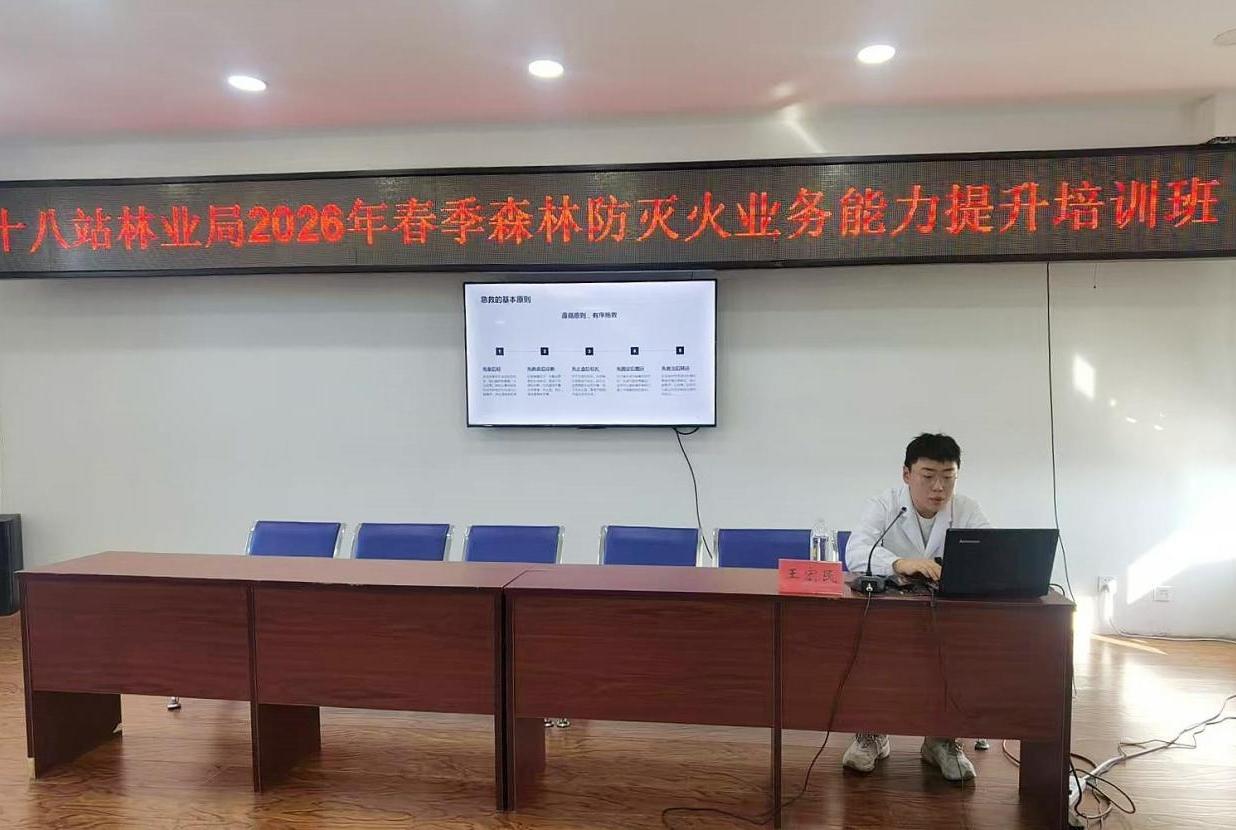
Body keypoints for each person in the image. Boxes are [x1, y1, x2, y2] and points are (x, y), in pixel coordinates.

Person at [841, 433, 991, 782]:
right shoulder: (885, 506)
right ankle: (871, 732)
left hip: (948, 614)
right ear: (907, 474)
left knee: (962, 652)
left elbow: (990, 555)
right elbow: (856, 552)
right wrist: (899, 563)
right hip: (887, 612)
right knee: (867, 646)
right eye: (928, 476)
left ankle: (942, 740)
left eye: (948, 477)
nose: (939, 487)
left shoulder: (967, 509)